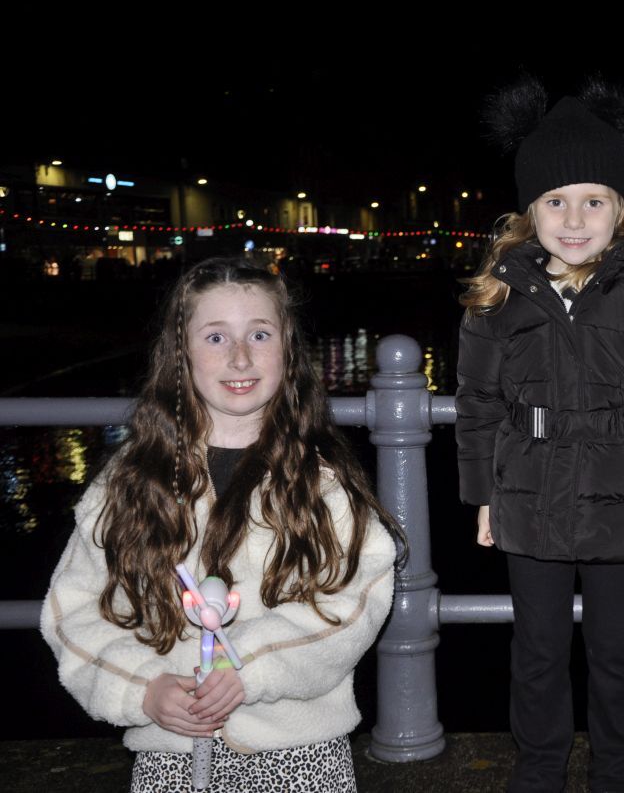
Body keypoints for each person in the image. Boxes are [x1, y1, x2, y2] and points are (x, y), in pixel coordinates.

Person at [456, 79, 624, 792]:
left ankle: (618, 772)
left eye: (594, 200)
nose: (573, 218)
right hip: (528, 497)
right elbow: (478, 403)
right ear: (530, 210)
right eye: (555, 201)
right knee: (537, 652)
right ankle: (539, 769)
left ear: (621, 209)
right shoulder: (498, 295)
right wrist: (481, 494)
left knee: (617, 653)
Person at [41, 257, 403, 792]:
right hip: (170, 755)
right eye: (215, 337)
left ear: (287, 350)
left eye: (259, 334)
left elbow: (352, 604)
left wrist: (248, 668)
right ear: (180, 354)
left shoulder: (322, 485)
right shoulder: (127, 484)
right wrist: (142, 689)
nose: (240, 357)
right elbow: (73, 612)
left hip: (300, 755)